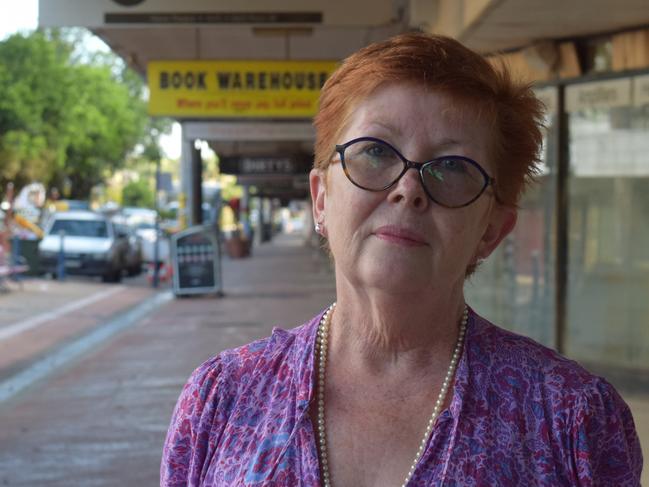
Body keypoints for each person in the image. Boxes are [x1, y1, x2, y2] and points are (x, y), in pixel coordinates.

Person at [161, 33, 642, 486]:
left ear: (492, 229)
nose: (408, 189)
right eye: (374, 152)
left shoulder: (572, 420)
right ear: (321, 198)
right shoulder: (221, 398)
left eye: (452, 167)